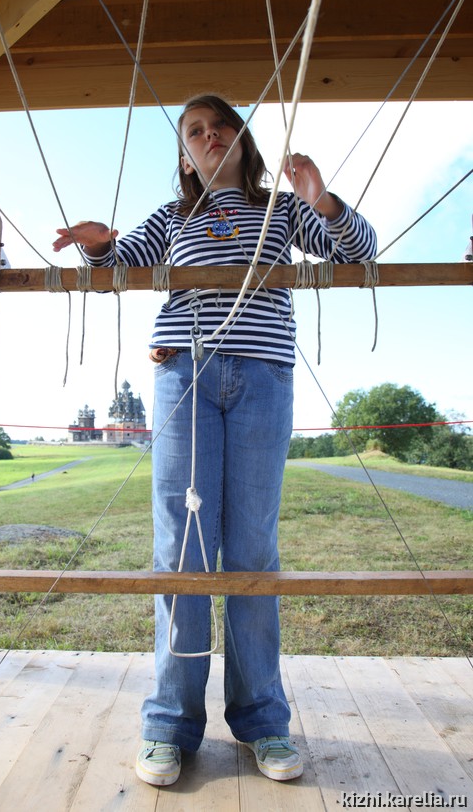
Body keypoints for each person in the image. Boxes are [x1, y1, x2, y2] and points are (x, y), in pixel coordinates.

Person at [53, 95, 377, 787]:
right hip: (183, 374)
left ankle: (263, 721)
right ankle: (169, 724)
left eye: (219, 125)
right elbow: (116, 268)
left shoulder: (282, 213)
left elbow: (359, 252)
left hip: (262, 377)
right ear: (184, 154)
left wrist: (322, 201)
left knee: (253, 547)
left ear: (241, 139)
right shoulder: (173, 218)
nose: (208, 136)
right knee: (182, 548)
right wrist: (97, 244)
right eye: (194, 131)